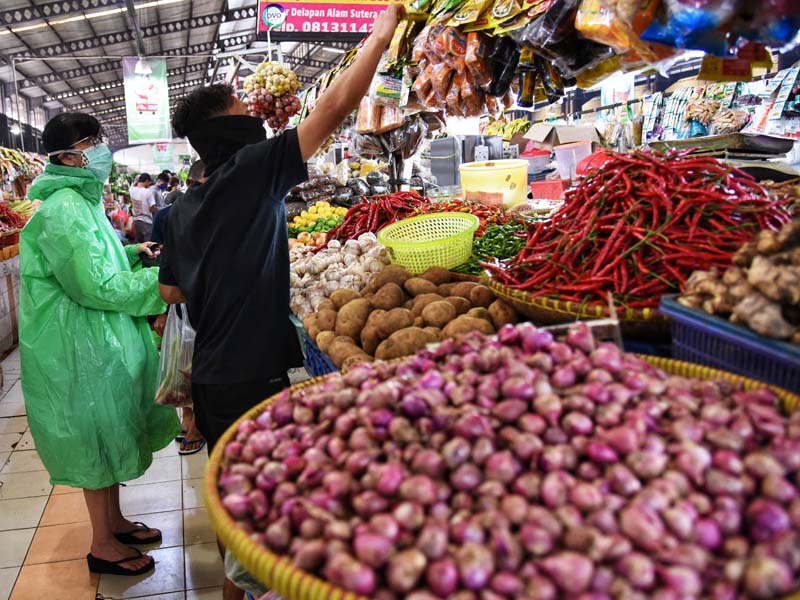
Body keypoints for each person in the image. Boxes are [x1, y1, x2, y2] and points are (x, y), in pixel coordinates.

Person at [159, 6, 401, 598]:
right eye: (242, 113)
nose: (253, 118)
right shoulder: (251, 171)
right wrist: (381, 31)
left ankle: (231, 592)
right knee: (265, 502)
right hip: (253, 372)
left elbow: (171, 291)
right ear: (226, 131)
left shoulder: (181, 208)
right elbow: (336, 106)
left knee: (230, 495)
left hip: (211, 374)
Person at [19, 112, 181, 577]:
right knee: (94, 438)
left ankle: (113, 522)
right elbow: (93, 286)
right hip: (76, 344)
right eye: (92, 142)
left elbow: (91, 260)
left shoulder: (79, 200)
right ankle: (102, 545)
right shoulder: (65, 207)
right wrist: (161, 284)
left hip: (96, 337)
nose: (101, 150)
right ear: (67, 155)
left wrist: (131, 253)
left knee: (110, 432)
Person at [152, 160, 207, 455]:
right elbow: (161, 263)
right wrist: (162, 311)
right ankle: (191, 423)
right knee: (186, 363)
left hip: (186, 303)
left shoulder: (168, 215)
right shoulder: (169, 216)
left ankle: (193, 423)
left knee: (189, 362)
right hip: (187, 303)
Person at [130, 173, 157, 242]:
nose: (149, 184)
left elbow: (134, 183)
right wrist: (158, 208)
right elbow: (152, 209)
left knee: (139, 245)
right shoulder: (148, 192)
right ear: (147, 181)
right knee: (149, 245)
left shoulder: (131, 190)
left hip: (136, 221)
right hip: (146, 222)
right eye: (149, 182)